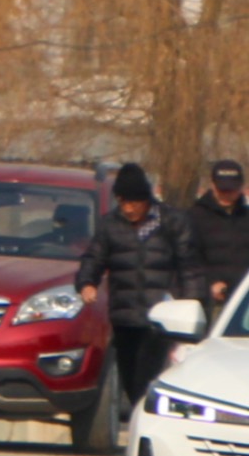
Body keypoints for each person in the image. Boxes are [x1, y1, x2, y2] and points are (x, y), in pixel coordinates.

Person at [80, 162, 206, 418]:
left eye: (134, 203)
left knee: (147, 376)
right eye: (123, 202)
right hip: (125, 316)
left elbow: (189, 266)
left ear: (146, 200)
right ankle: (142, 413)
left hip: (161, 318)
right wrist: (86, 282)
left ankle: (146, 420)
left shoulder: (172, 222)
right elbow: (93, 258)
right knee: (130, 375)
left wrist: (192, 305)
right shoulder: (110, 225)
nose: (129, 209)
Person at [189, 159, 249, 308]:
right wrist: (210, 282)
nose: (226, 194)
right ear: (213, 185)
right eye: (222, 189)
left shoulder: (246, 216)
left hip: (244, 300)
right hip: (211, 301)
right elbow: (189, 258)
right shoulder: (195, 217)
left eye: (231, 190)